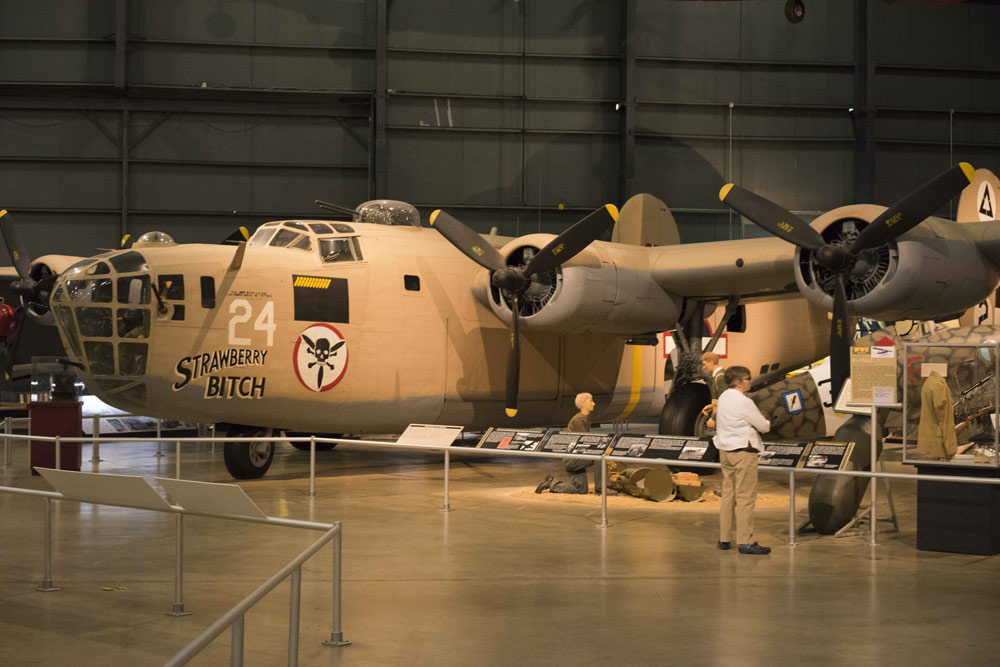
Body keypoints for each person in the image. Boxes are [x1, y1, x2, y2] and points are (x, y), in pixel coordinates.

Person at [714, 365, 771, 555]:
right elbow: (763, 426)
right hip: (743, 452)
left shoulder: (724, 397)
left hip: (725, 450)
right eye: (748, 378)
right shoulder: (743, 401)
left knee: (728, 495)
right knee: (746, 497)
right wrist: (768, 422)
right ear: (739, 381)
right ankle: (745, 541)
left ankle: (724, 539)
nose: (750, 381)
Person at [536, 392, 615, 495]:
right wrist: (605, 452)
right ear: (583, 403)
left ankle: (552, 483)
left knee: (580, 490)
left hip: (576, 457)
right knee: (599, 457)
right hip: (573, 459)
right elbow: (586, 442)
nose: (594, 403)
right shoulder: (578, 420)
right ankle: (601, 488)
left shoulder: (584, 419)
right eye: (591, 401)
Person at [917, 370, 958, 461]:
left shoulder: (929, 382)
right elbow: (944, 418)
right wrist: (950, 448)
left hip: (930, 436)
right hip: (939, 441)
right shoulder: (939, 386)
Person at [700, 351, 726, 429]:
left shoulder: (720, 377)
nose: (704, 367)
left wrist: (713, 418)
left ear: (711, 362)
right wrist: (712, 407)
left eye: (705, 364)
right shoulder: (718, 376)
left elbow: (725, 401)